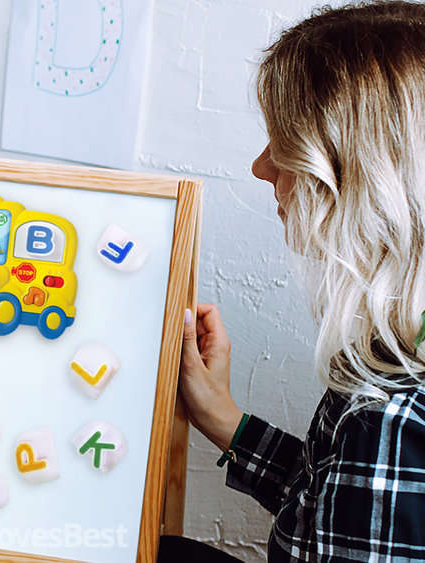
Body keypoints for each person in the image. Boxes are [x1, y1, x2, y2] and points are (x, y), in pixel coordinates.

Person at [175, 2, 425, 561]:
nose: (261, 167)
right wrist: (224, 419)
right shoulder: (398, 351)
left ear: (359, 173)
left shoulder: (391, 419)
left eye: (285, 143)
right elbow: (337, 505)